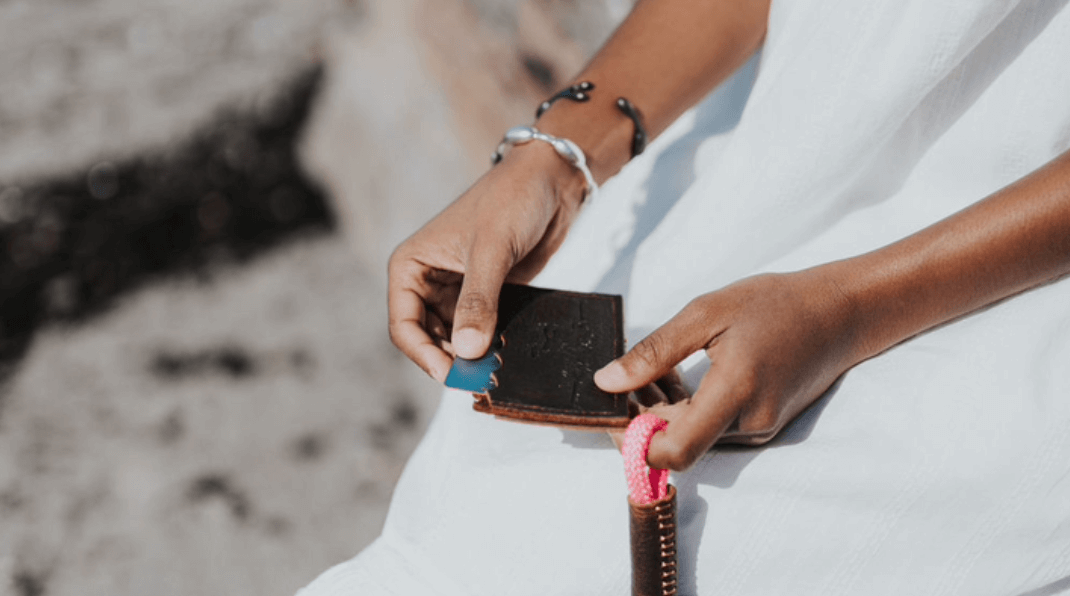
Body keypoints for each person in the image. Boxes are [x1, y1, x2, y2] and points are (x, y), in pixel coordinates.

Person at [302, 0, 1070, 593]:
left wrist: (848, 309)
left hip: (998, 282)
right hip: (759, 178)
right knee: (470, 514)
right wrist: (555, 161)